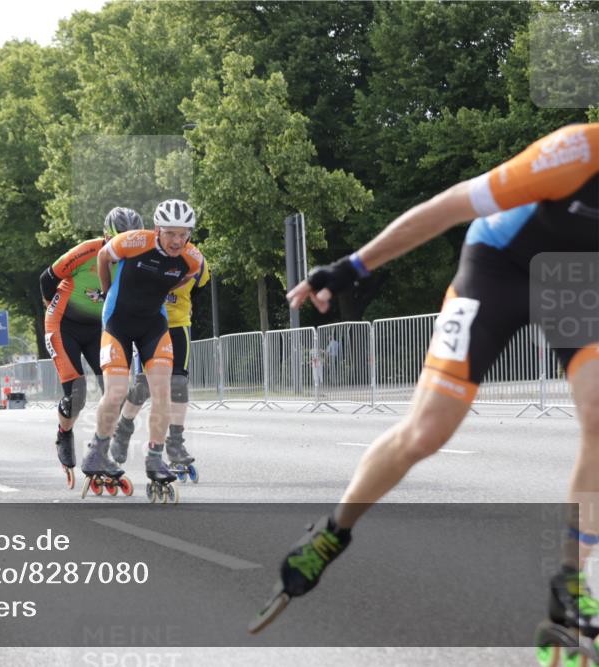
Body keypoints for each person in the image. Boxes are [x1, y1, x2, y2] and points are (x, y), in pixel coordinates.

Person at [249, 123, 599, 658]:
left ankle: (573, 584)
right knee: (428, 430)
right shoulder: (578, 151)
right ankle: (332, 531)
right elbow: (449, 206)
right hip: (497, 267)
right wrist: (350, 268)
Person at [85, 199, 204, 501]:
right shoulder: (133, 241)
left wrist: (160, 289)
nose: (178, 240)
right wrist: (108, 289)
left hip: (154, 325)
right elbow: (102, 256)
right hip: (117, 323)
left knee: (163, 391)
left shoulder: (191, 258)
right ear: (157, 229)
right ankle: (98, 451)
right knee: (116, 393)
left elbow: (190, 276)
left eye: (184, 234)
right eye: (171, 233)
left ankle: (154, 457)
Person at [39, 207, 144, 487]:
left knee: (117, 391)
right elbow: (46, 278)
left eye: (130, 240)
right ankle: (64, 432)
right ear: (106, 236)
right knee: (77, 393)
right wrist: (53, 310)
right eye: (118, 240)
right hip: (63, 324)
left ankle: (99, 452)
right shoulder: (87, 251)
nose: (123, 248)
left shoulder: (140, 258)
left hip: (99, 328)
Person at [110, 251, 210, 483]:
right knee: (143, 385)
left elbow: (199, 287)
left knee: (178, 382)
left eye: (182, 234)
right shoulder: (145, 253)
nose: (176, 239)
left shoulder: (197, 259)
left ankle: (175, 443)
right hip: (150, 324)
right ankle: (123, 430)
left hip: (177, 324)